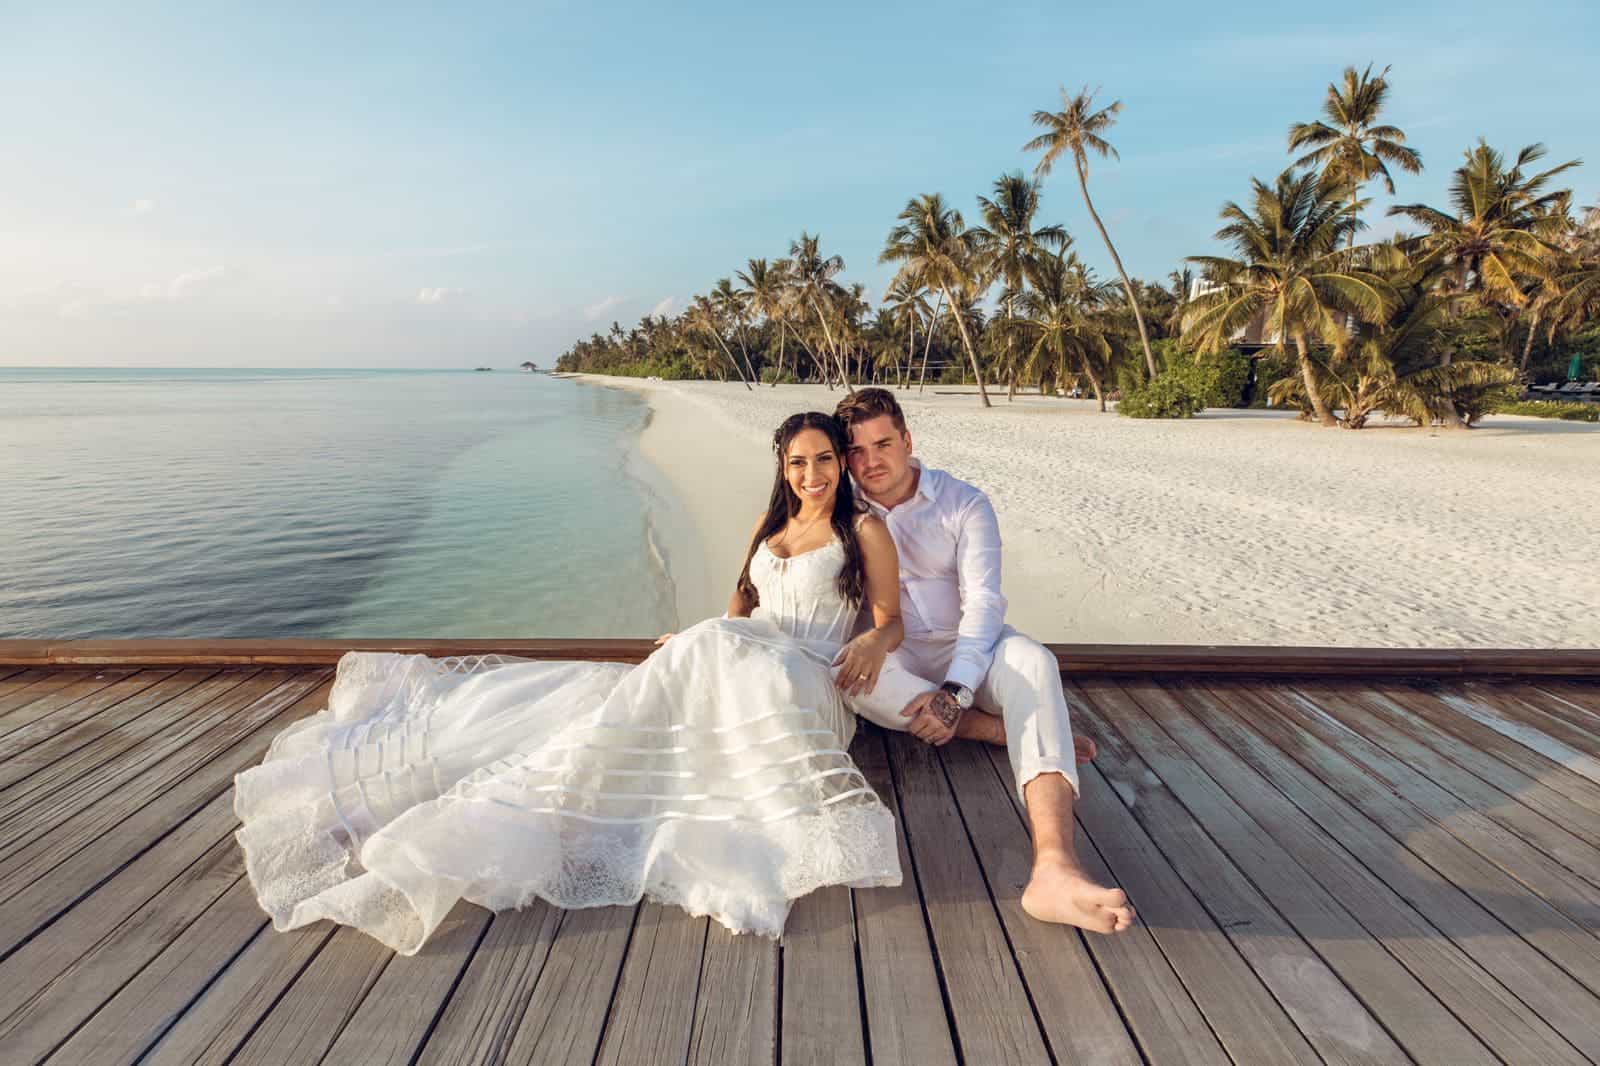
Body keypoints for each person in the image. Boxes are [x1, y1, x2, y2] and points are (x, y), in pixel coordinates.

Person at [233, 412, 903, 955]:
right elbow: (739, 609)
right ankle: (570, 785)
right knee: (646, 689)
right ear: (783, 468)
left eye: (822, 459)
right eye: (798, 461)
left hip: (808, 676)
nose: (811, 473)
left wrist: (871, 639)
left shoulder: (863, 530)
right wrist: (702, 637)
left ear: (841, 465)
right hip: (745, 652)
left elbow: (890, 622)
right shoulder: (771, 525)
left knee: (729, 675)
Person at [834, 388, 1134, 935]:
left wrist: (956, 692)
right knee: (848, 678)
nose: (870, 461)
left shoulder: (964, 503)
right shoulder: (839, 508)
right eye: (855, 451)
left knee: (1036, 663)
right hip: (891, 659)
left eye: (882, 444)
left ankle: (1055, 868)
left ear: (906, 440)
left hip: (970, 647)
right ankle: (1000, 732)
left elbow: (985, 605)